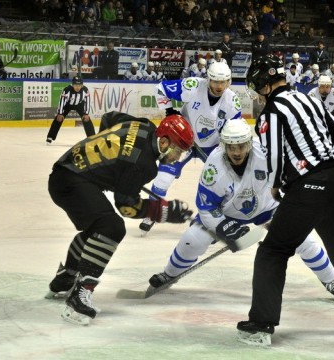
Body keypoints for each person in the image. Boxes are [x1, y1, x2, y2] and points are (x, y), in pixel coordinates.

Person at [238, 54, 334, 346]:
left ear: (263, 84)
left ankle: (261, 324)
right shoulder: (311, 100)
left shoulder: (272, 112)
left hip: (308, 186)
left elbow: (274, 155)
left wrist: (277, 187)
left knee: (273, 251)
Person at [148, 119, 334, 300]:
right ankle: (169, 274)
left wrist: (291, 205)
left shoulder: (267, 155)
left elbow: (292, 180)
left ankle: (332, 281)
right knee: (192, 240)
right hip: (226, 214)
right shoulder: (213, 167)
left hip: (267, 208)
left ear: (249, 143)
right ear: (224, 145)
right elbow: (207, 207)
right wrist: (223, 226)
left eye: (241, 146)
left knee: (304, 240)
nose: (236, 152)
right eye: (231, 147)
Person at [47, 111, 195, 325]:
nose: (177, 157)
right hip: (70, 181)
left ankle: (66, 276)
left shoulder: (143, 125)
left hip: (67, 170)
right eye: (177, 150)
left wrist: (108, 163)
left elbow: (109, 118)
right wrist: (165, 211)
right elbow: (126, 206)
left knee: (97, 227)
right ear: (163, 142)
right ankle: (79, 294)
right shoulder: (144, 164)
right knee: (112, 227)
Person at [140, 62, 241, 234]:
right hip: (182, 141)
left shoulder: (233, 102)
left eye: (223, 82)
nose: (219, 86)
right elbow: (161, 89)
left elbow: (235, 129)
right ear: (208, 79)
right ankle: (152, 212)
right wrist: (170, 111)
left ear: (228, 81)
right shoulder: (193, 85)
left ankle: (213, 218)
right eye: (215, 81)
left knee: (223, 183)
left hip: (212, 146)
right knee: (163, 178)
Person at [46, 76, 94, 144]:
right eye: (75, 85)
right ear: (72, 85)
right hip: (67, 105)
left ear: (82, 85)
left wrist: (86, 113)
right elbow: (62, 101)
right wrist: (60, 113)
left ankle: (92, 138)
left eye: (79, 85)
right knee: (58, 118)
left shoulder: (85, 90)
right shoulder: (67, 90)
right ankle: (50, 137)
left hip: (80, 105)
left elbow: (87, 101)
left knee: (87, 119)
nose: (77, 87)